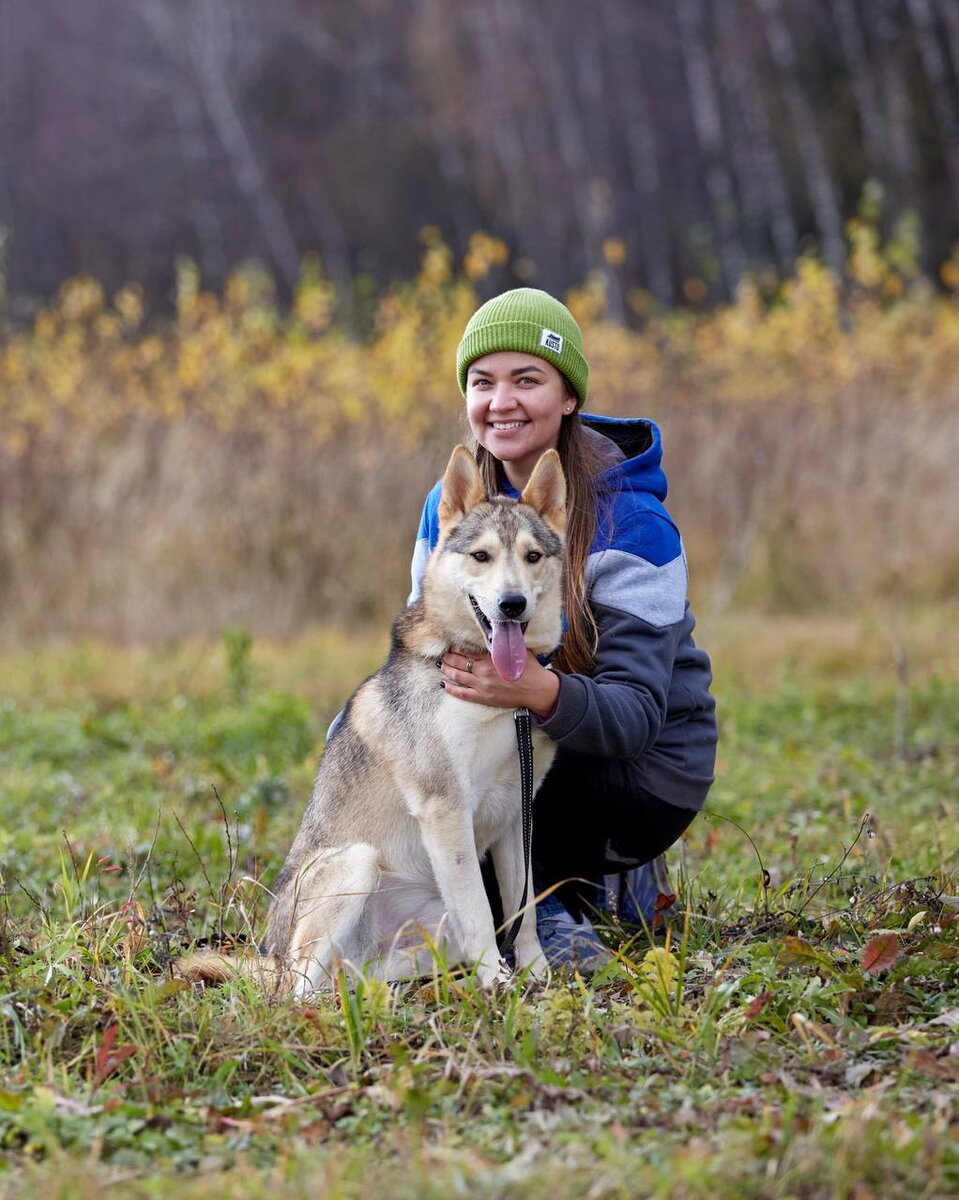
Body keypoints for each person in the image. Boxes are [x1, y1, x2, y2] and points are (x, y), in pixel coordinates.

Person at [409, 288, 717, 969]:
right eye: (482, 382)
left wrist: (535, 691)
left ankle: (539, 907)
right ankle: (582, 882)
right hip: (520, 744)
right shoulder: (449, 505)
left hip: (641, 774)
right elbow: (422, 657)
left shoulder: (633, 524)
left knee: (490, 758)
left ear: (568, 395)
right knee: (404, 750)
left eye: (527, 380)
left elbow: (636, 716)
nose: (501, 402)